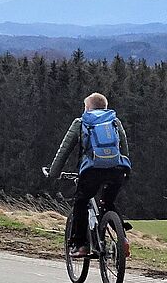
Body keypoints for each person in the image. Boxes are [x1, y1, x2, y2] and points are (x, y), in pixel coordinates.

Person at [47, 92, 131, 257]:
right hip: (117, 169)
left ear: (87, 108)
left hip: (92, 170)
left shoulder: (81, 122)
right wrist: (125, 168)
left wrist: (53, 173)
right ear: (104, 107)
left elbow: (64, 151)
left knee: (81, 202)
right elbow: (124, 148)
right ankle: (123, 240)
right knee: (107, 202)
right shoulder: (114, 122)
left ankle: (81, 245)